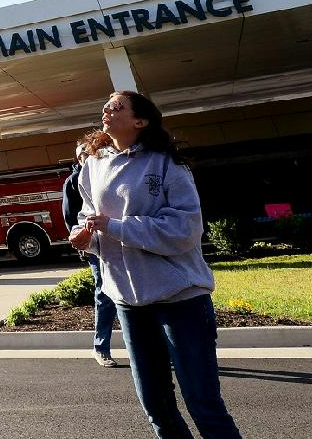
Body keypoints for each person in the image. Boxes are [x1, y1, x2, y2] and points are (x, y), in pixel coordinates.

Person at [70, 90, 245, 439]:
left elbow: (186, 229)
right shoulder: (92, 165)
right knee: (157, 409)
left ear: (140, 121)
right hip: (128, 302)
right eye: (106, 103)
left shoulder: (168, 164)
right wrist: (84, 236)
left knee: (204, 405)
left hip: (180, 298)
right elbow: (89, 217)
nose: (108, 108)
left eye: (118, 105)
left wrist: (116, 227)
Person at [61, 129, 118, 368]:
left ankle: (144, 348)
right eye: (82, 155)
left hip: (119, 240)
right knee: (104, 296)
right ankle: (101, 348)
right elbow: (70, 215)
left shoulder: (108, 172)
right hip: (96, 247)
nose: (86, 158)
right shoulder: (75, 181)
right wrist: (82, 242)